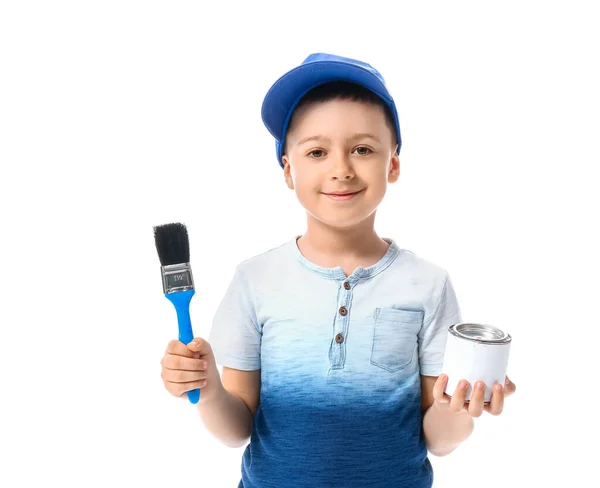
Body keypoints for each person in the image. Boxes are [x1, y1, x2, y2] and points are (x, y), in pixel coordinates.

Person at [159, 53, 516, 488]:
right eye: (317, 151)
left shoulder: (429, 284)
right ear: (289, 170)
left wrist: (459, 408)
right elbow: (236, 431)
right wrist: (209, 389)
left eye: (362, 149)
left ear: (394, 163)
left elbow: (438, 441)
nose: (341, 169)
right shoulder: (254, 280)